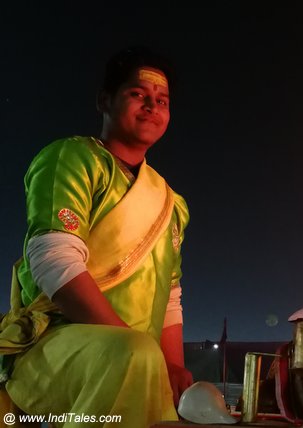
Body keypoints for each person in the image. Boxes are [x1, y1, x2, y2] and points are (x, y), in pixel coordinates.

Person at [0, 46, 192, 427]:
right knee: (134, 354)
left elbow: (170, 296)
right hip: (60, 345)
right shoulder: (70, 159)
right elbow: (53, 259)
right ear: (105, 101)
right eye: (138, 94)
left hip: (137, 357)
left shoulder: (173, 205)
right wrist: (141, 353)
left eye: (162, 100)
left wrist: (173, 369)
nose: (152, 106)